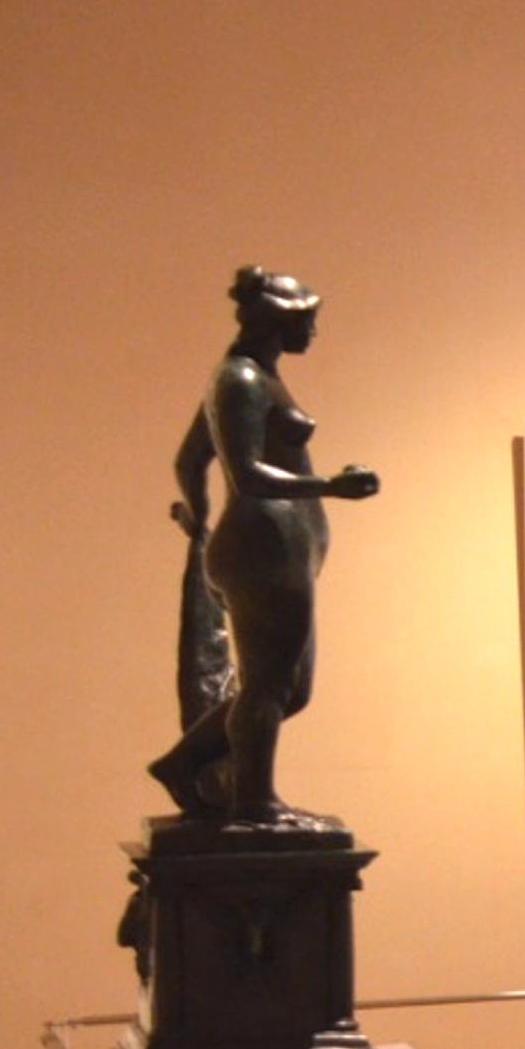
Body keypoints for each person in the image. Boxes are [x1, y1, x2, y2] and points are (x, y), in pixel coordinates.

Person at [145, 267, 380, 828]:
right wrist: (330, 487)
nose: (313, 332)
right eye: (307, 321)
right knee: (270, 685)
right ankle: (255, 803)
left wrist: (199, 518)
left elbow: (189, 460)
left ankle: (182, 764)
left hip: (279, 547)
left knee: (290, 689)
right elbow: (246, 473)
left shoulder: (251, 377)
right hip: (263, 546)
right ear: (280, 320)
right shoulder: (241, 381)